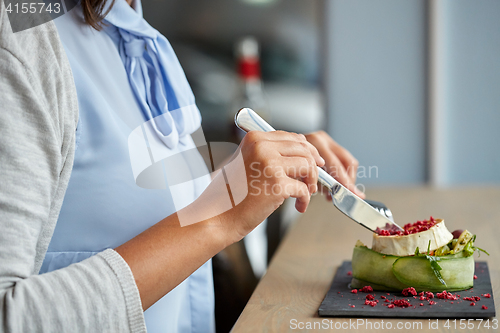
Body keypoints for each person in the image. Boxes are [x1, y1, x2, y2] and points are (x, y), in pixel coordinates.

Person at [0, 0, 363, 331]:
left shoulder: (135, 31)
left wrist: (268, 164)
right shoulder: (21, 40)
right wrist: (220, 219)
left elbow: (159, 203)